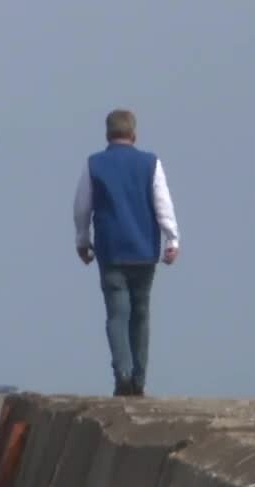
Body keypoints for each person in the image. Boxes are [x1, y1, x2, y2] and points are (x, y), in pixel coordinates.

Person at [73, 109, 180, 397]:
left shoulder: (94, 164)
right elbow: (163, 204)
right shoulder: (150, 163)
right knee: (141, 313)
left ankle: (122, 373)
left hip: (111, 251)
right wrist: (172, 240)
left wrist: (82, 240)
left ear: (108, 134)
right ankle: (139, 378)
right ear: (134, 133)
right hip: (144, 249)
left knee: (117, 314)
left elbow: (82, 207)